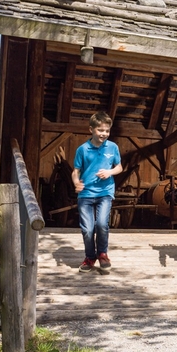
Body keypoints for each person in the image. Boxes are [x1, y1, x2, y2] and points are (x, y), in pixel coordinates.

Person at [72, 111, 122, 274]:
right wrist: (76, 183)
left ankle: (102, 254)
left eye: (107, 131)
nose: (104, 134)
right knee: (87, 229)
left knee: (101, 224)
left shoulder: (113, 147)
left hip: (105, 193)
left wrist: (109, 172)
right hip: (85, 194)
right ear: (91, 130)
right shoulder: (83, 149)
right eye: (100, 130)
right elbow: (76, 171)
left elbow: (119, 167)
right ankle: (90, 257)